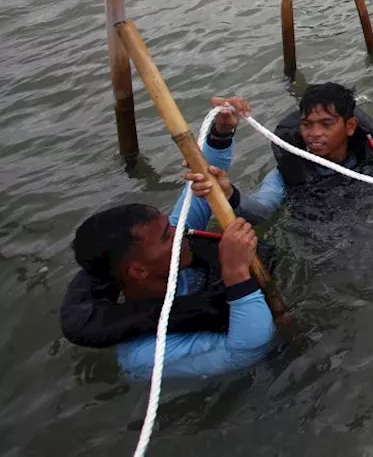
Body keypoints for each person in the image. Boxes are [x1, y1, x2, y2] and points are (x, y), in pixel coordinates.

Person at [61, 109, 278, 378]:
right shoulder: (145, 356)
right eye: (167, 235)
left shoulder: (165, 250)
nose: (181, 232)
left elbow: (202, 185)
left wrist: (221, 132)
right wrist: (236, 274)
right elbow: (248, 352)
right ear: (138, 270)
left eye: (170, 226)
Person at [196, 86, 373, 225]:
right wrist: (230, 194)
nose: (314, 134)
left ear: (350, 126)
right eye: (307, 125)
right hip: (320, 236)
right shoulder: (285, 173)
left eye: (326, 124)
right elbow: (262, 212)